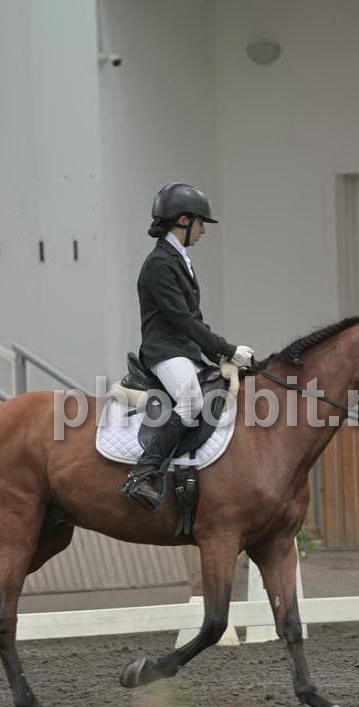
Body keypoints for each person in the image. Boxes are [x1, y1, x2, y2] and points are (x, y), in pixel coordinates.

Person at [120, 182, 254, 510]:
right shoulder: (159, 264)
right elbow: (182, 320)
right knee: (191, 400)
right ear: (183, 220)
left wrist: (221, 356)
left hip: (185, 351)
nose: (203, 231)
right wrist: (229, 348)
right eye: (201, 223)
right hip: (165, 352)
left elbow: (195, 321)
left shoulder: (180, 260)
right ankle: (143, 473)